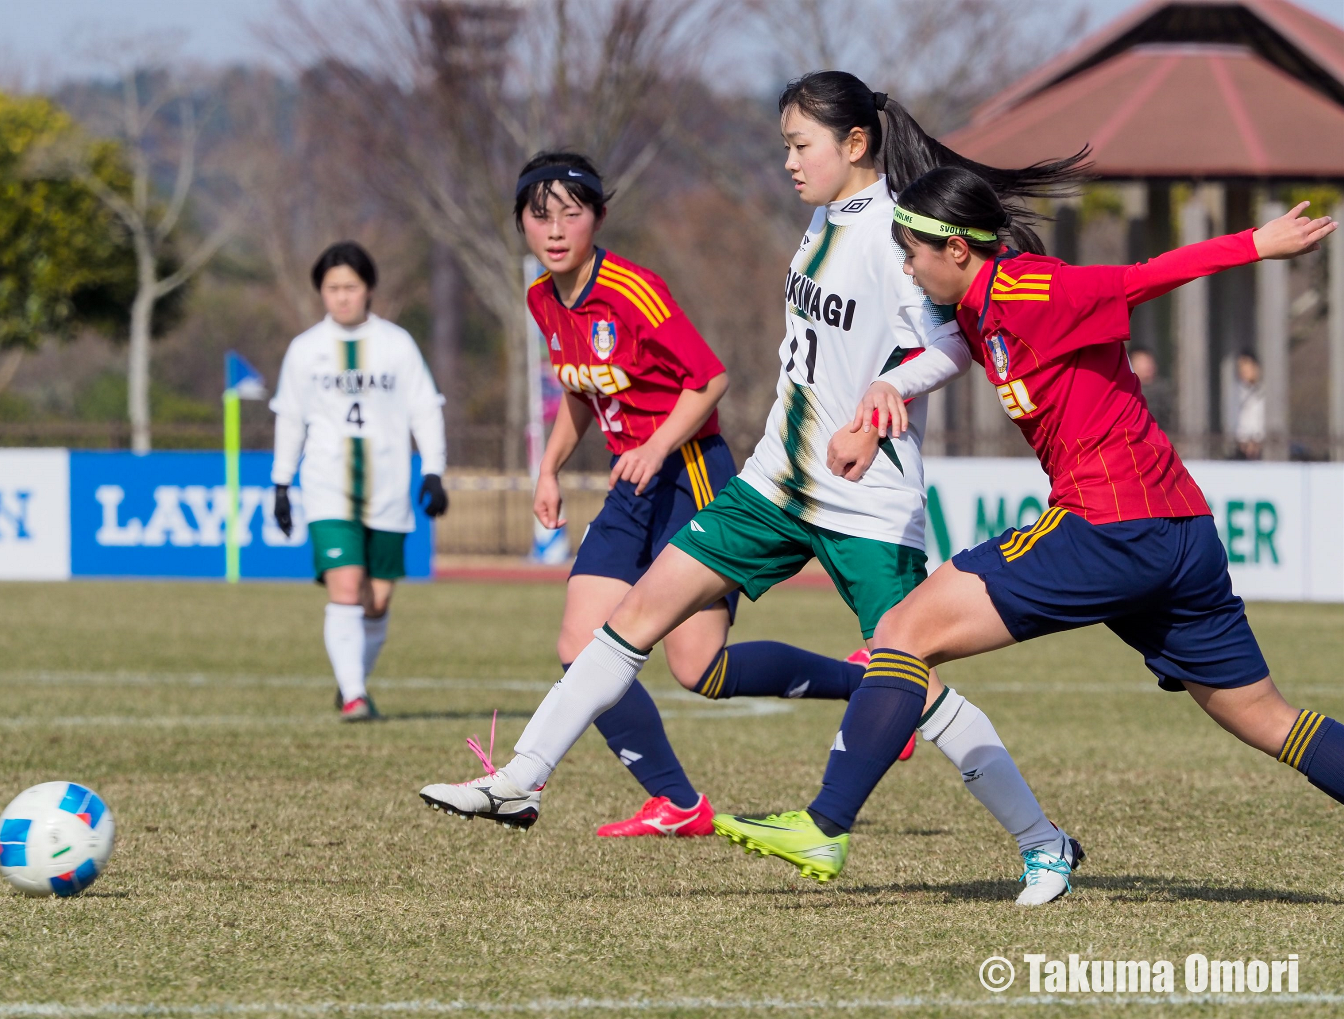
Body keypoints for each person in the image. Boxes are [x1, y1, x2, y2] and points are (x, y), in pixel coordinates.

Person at [420, 73, 1091, 904]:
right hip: (775, 480)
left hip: (864, 497)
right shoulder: (824, 219)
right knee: (633, 616)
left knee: (910, 679)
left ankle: (1042, 842)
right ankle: (523, 776)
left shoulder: (892, 230)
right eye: (783, 145)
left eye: (799, 145)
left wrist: (890, 394)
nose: (787, 162)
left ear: (854, 145)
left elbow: (954, 345)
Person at [713, 168, 1342, 887]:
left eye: (912, 252)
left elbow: (1140, 278)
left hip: (1113, 524)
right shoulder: (974, 310)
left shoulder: (1027, 289)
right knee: (1267, 718)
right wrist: (883, 394)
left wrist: (1256, 244)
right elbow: (946, 350)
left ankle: (824, 826)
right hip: (1177, 531)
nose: (907, 267)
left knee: (901, 633)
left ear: (955, 250)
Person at [509, 150, 737, 838]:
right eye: (538, 215)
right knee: (581, 647)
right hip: (628, 482)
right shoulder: (542, 298)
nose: (554, 230)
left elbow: (710, 379)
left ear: (598, 218)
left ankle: (871, 682)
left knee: (699, 666)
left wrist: (657, 445)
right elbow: (583, 390)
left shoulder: (633, 290)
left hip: (689, 473)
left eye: (570, 215)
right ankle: (677, 801)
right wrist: (548, 469)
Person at [270, 241, 449, 721]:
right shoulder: (305, 350)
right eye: (332, 289)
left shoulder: (396, 344)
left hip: (388, 490)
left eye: (350, 287)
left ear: (368, 289)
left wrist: (433, 470)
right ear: (321, 293)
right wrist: (281, 483)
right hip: (328, 487)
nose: (342, 297)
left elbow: (425, 408)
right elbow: (290, 417)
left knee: (378, 600)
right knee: (345, 587)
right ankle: (353, 694)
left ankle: (354, 681)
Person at [1232, 350, 1265, 460]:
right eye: (1240, 367)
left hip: (1262, 449)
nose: (1243, 370)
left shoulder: (1265, 393)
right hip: (1241, 449)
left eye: (1246, 365)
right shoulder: (1236, 393)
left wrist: (1257, 442)